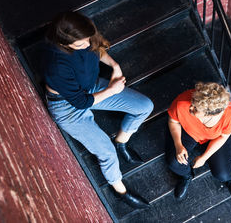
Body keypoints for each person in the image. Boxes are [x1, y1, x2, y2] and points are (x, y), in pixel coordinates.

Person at [44, 11, 153, 208]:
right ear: (62, 43)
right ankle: (120, 190)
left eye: (87, 41)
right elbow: (81, 102)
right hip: (68, 107)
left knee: (145, 106)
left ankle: (121, 142)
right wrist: (112, 90)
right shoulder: (57, 66)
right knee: (107, 152)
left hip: (90, 86)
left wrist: (115, 65)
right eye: (80, 45)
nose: (86, 46)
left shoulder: (84, 38)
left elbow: (96, 47)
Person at [166, 82, 231, 200]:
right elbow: (173, 121)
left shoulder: (230, 116)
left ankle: (230, 176)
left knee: (223, 175)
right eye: (193, 102)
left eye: (195, 108)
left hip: (215, 137)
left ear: (209, 114)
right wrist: (178, 144)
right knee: (174, 162)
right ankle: (186, 176)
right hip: (189, 132)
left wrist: (204, 157)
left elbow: (223, 137)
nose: (190, 107)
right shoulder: (182, 102)